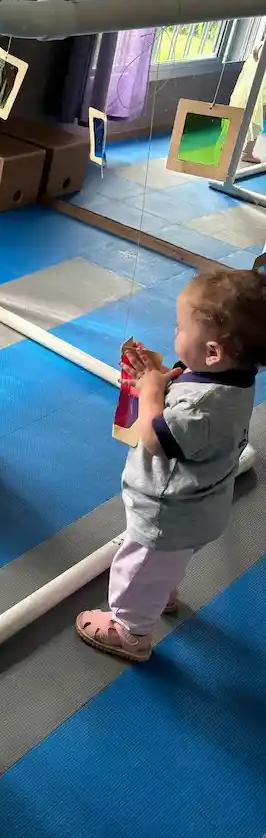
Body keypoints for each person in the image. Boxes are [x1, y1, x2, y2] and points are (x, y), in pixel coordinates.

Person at [76, 269, 266, 662]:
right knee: (167, 562)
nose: (174, 333)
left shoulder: (200, 409)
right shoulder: (236, 379)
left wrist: (149, 391)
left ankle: (130, 631)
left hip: (169, 512)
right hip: (202, 508)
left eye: (180, 328)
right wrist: (162, 378)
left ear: (213, 352)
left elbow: (155, 436)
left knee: (135, 566)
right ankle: (159, 591)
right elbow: (193, 386)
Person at [229, 29, 266, 164]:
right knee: (256, 117)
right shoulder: (262, 47)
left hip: (250, 86)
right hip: (261, 88)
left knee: (251, 116)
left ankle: (241, 148)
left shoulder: (260, 44)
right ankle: (247, 151)